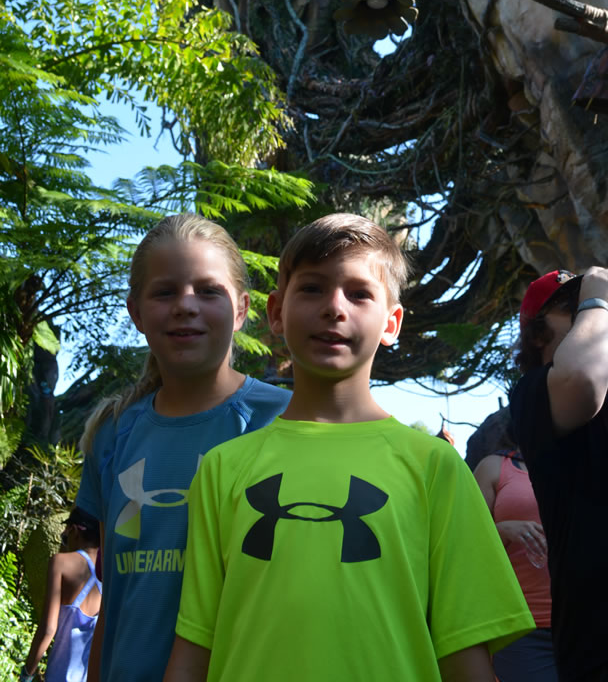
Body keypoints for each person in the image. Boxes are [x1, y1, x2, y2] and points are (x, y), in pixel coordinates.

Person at [164, 213, 534, 682]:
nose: (334, 307)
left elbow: (465, 654)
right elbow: (195, 647)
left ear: (391, 323)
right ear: (276, 312)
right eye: (312, 288)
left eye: (359, 293)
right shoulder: (223, 468)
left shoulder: (434, 467)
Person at [76, 213, 291, 682]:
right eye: (165, 292)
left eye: (209, 290)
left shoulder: (285, 421)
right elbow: (114, 600)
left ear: (241, 310)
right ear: (136, 312)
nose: (185, 306)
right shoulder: (112, 433)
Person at [509, 266, 608, 682]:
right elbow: (580, 379)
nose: (590, 311)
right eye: (570, 305)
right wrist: (595, 300)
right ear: (537, 335)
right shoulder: (535, 393)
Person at [474, 446, 557, 682]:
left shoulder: (592, 460)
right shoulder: (494, 466)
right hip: (523, 628)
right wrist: (501, 530)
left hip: (591, 620)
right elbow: (464, 544)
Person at [20, 507, 102, 682]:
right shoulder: (110, 572)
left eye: (65, 538)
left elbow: (48, 629)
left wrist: (27, 674)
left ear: (74, 530)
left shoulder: (61, 562)